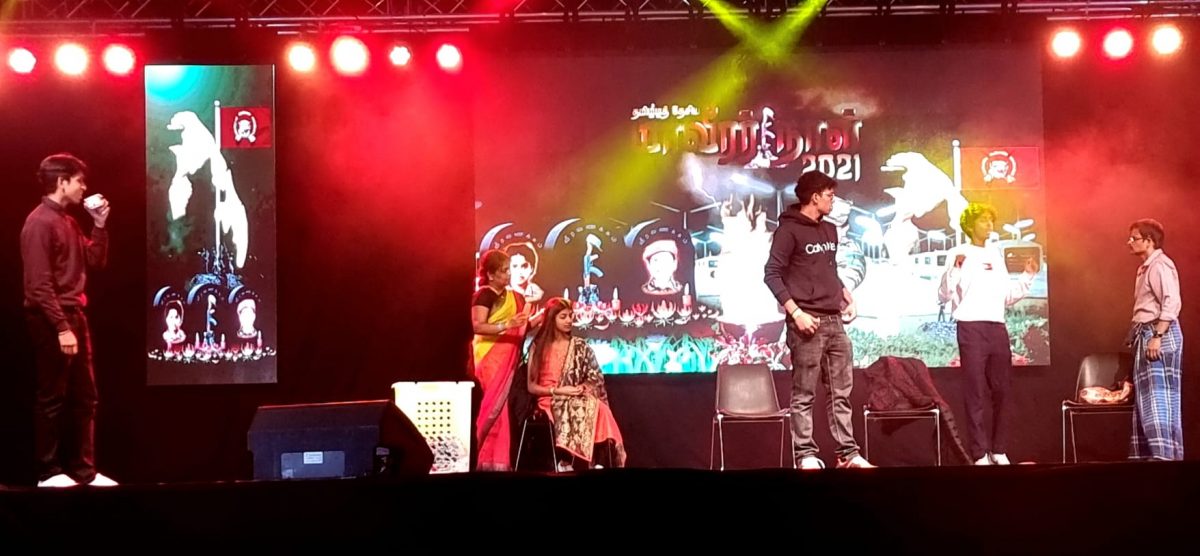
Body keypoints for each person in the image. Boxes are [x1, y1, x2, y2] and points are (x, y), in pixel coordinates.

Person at [763, 170, 873, 470]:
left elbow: (828, 270)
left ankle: (847, 454)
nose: (832, 200)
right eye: (829, 195)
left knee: (841, 393)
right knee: (804, 394)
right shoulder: (788, 231)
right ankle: (805, 455)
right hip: (806, 323)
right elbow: (771, 274)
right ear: (814, 197)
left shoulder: (829, 230)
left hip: (834, 321)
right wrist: (796, 313)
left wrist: (847, 296)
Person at [20, 153, 117, 487]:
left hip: (75, 315)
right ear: (62, 182)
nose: (84, 187)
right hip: (50, 319)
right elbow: (38, 285)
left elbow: (95, 260)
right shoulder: (39, 223)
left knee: (86, 397)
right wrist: (61, 327)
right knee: (52, 398)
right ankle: (48, 472)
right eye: (79, 181)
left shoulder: (69, 222)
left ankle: (84, 471)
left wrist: (99, 224)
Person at [937, 203, 1037, 465]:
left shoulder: (996, 254)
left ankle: (999, 449)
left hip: (997, 327)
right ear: (970, 225)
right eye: (983, 220)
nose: (989, 225)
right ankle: (979, 452)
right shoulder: (958, 253)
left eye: (991, 220)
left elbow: (1008, 296)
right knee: (975, 392)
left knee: (1002, 390)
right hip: (970, 327)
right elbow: (944, 295)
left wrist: (1027, 276)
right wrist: (955, 269)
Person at [526, 297, 626, 471]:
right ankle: (568, 460)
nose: (569, 320)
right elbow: (531, 387)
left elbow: (595, 377)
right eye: (563, 317)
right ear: (551, 319)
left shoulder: (579, 346)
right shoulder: (538, 346)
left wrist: (582, 387)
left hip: (573, 395)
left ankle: (598, 460)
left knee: (599, 407)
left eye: (571, 316)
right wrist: (558, 391)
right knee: (575, 406)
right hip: (549, 399)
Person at [470, 249, 539, 471]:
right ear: (490, 274)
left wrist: (542, 313)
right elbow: (478, 326)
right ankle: (480, 459)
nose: (509, 274)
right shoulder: (484, 294)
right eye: (504, 271)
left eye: (509, 270)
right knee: (492, 408)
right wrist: (505, 325)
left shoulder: (514, 297)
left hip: (508, 359)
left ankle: (497, 463)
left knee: (502, 413)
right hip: (489, 358)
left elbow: (522, 327)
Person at [1125, 219, 1183, 461]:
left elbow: (1172, 302)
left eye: (1134, 238)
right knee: (1147, 401)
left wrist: (1157, 336)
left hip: (1159, 333)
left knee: (1160, 400)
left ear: (1149, 241)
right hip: (1147, 333)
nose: (1129, 242)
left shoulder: (1160, 265)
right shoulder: (1146, 268)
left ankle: (1164, 459)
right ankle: (1149, 459)